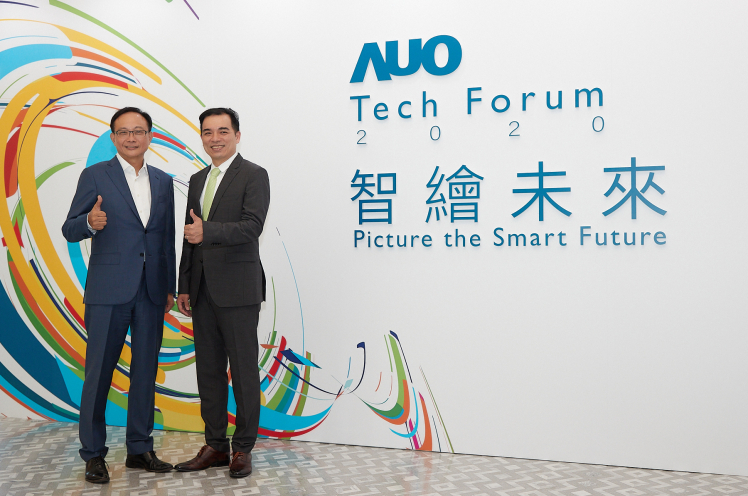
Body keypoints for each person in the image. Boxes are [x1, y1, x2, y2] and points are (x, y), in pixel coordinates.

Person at [62, 107, 176, 483]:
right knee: (99, 373)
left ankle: (140, 449)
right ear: (113, 138)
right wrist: (88, 223)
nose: (131, 138)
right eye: (123, 132)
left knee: (145, 372)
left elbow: (166, 239)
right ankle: (93, 454)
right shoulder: (95, 175)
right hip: (108, 290)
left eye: (138, 131)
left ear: (150, 136)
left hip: (151, 290)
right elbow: (69, 228)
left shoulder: (163, 181)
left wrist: (170, 286)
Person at [175, 108, 269, 478]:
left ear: (237, 135)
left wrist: (209, 231)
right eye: (208, 132)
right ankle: (215, 445)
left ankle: (243, 448)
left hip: (239, 289)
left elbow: (252, 226)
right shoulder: (198, 179)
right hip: (201, 290)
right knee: (209, 372)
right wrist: (184, 285)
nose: (215, 138)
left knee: (243, 372)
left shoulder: (254, 174)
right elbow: (190, 234)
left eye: (223, 131)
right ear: (202, 136)